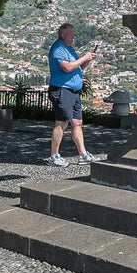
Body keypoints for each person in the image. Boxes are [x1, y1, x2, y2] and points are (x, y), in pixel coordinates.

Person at [45, 23, 102, 167]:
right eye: (71, 34)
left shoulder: (69, 49)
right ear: (63, 34)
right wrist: (84, 57)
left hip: (73, 91)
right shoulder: (58, 48)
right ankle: (54, 156)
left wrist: (87, 60)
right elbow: (67, 67)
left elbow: (79, 67)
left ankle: (83, 155)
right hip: (62, 89)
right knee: (62, 123)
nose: (74, 37)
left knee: (77, 123)